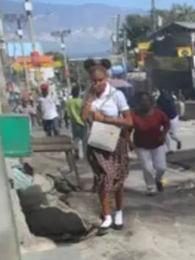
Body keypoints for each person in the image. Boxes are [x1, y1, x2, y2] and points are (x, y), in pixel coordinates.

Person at [81, 62, 133, 234]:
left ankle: (118, 212)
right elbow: (82, 118)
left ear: (106, 78)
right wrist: (89, 99)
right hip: (97, 143)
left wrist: (104, 119)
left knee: (117, 179)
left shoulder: (117, 95)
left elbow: (128, 121)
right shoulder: (89, 95)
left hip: (115, 141)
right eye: (93, 81)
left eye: (99, 80)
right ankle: (106, 215)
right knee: (104, 178)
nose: (96, 84)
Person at [130, 92, 172, 195]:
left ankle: (158, 180)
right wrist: (129, 142)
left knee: (161, 167)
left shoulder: (158, 113)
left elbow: (167, 123)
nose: (145, 103)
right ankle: (151, 187)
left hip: (157, 143)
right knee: (147, 168)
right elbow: (127, 129)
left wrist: (163, 134)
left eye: (147, 100)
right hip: (141, 145)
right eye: (142, 101)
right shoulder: (133, 114)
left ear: (151, 101)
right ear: (138, 102)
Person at [64, 85, 87, 159]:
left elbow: (66, 113)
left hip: (73, 123)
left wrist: (66, 122)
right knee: (84, 139)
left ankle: (76, 153)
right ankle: (85, 154)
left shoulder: (69, 102)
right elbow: (85, 111)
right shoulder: (81, 101)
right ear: (78, 93)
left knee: (75, 139)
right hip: (82, 122)